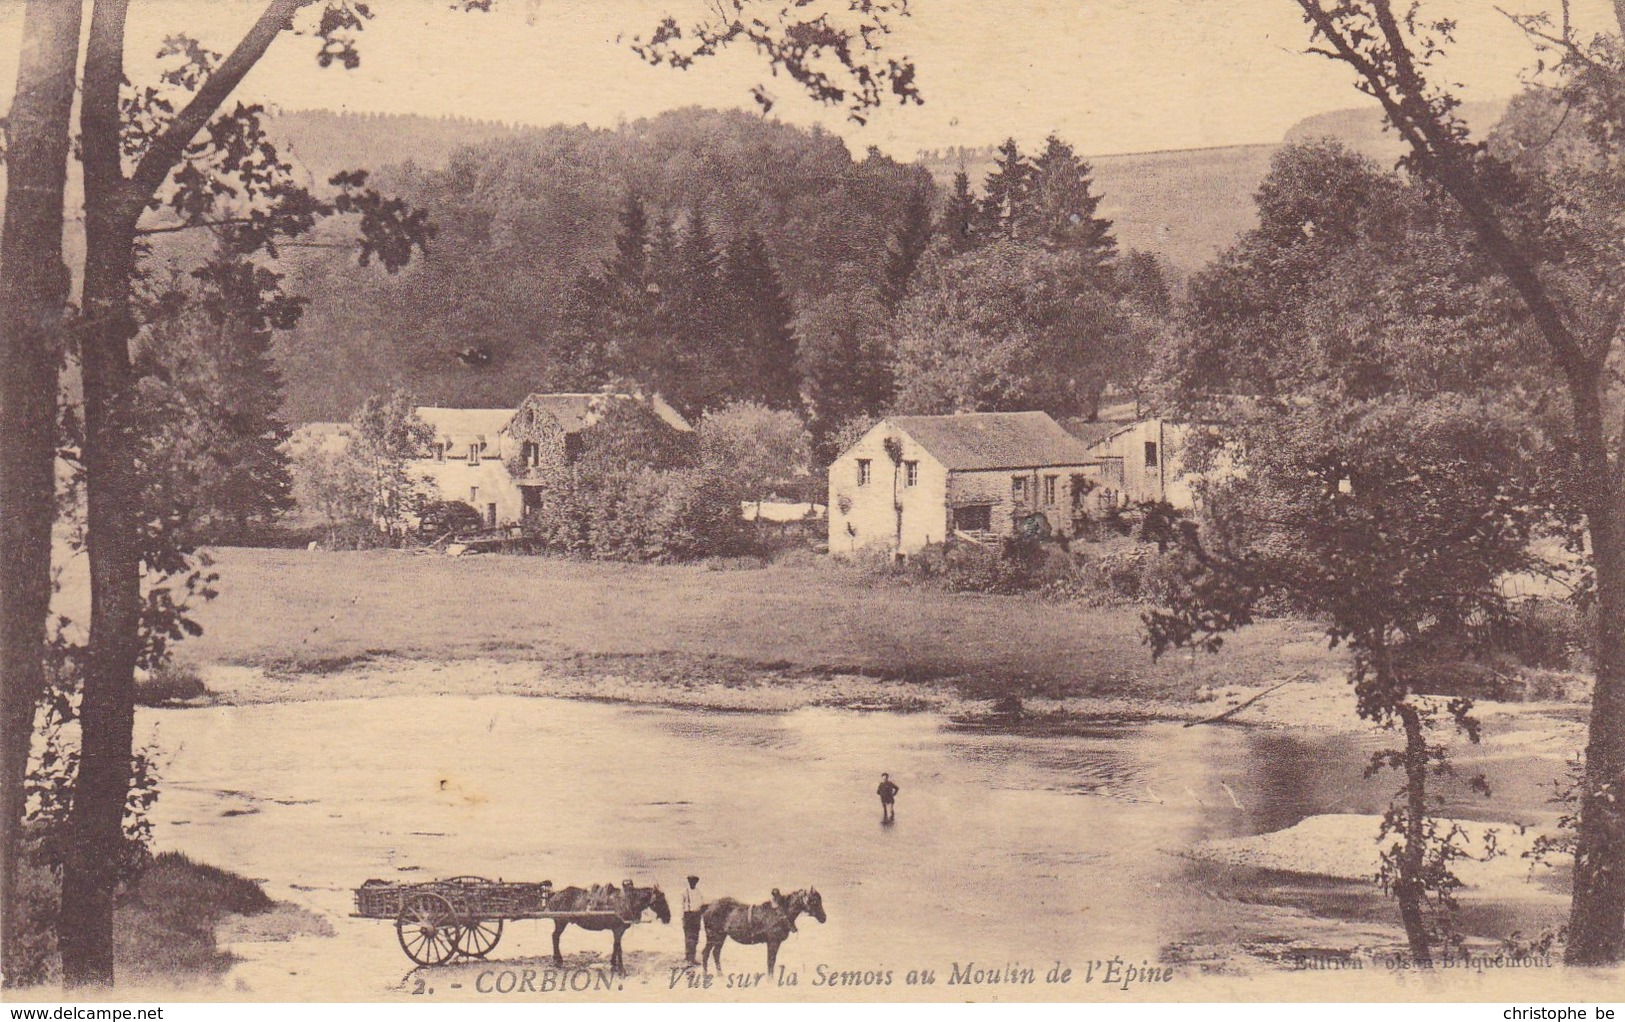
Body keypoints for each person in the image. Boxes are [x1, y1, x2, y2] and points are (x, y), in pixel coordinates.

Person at [682, 874, 707, 965]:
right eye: (691, 882)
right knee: (689, 937)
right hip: (688, 915)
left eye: (694, 882)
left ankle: (691, 957)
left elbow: (702, 904)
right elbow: (681, 907)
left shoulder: (699, 892)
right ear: (689, 882)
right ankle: (689, 958)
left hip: (696, 916)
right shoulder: (684, 892)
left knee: (695, 938)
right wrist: (683, 919)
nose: (693, 884)